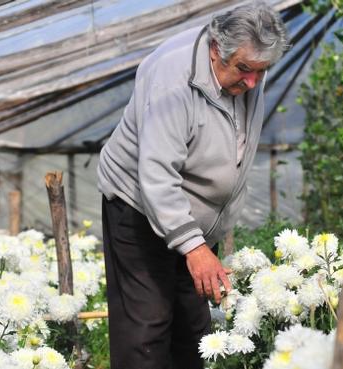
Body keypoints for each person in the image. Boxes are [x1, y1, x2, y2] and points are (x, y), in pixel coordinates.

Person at [97, 2, 288, 369]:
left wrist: (200, 242)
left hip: (193, 219)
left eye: (262, 71)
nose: (252, 82)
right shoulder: (173, 77)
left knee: (193, 328)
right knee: (146, 330)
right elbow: (155, 174)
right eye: (245, 69)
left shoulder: (245, 71)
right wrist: (194, 249)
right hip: (138, 203)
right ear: (217, 49)